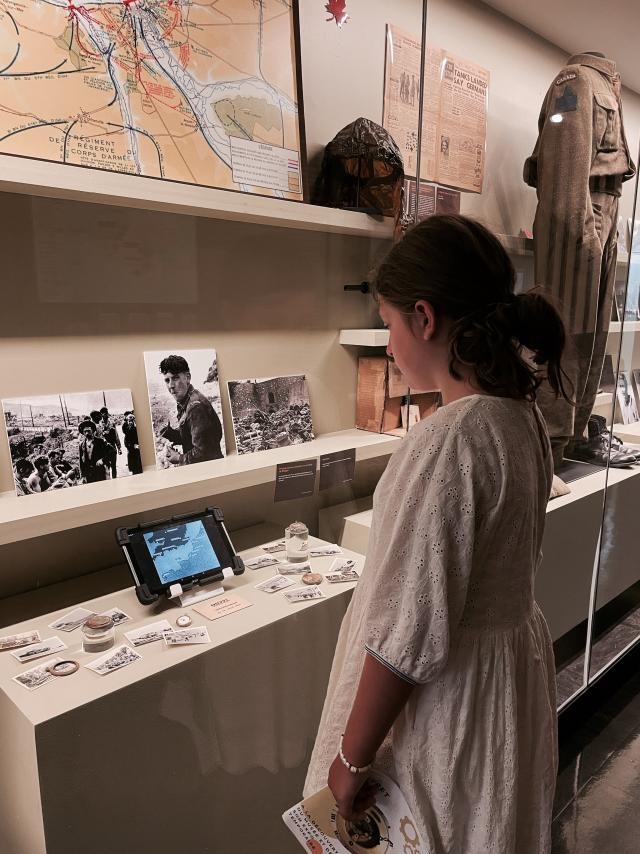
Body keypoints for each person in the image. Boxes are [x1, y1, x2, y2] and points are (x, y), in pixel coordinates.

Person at [304, 215, 570, 854]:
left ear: (424, 318)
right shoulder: (520, 417)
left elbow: (409, 636)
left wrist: (352, 758)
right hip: (503, 683)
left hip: (447, 704)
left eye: (390, 324)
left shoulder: (449, 439)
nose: (389, 346)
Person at [158, 355, 223, 465]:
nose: (171, 385)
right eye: (167, 380)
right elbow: (192, 434)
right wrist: (170, 434)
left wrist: (179, 458)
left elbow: (203, 452)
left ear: (187, 377)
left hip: (209, 471)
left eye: (175, 378)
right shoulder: (186, 400)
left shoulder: (195, 407)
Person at [99, 406, 122, 477]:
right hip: (104, 448)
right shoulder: (99, 424)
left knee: (114, 466)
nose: (105, 415)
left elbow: (116, 435)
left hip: (112, 447)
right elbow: (99, 435)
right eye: (103, 413)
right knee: (106, 467)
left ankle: (115, 480)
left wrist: (119, 448)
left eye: (106, 413)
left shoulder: (112, 423)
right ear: (101, 414)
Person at [122, 410, 143, 475]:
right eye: (129, 420)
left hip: (137, 447)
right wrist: (133, 445)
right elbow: (127, 437)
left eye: (132, 419)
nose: (131, 421)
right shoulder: (125, 425)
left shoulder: (136, 424)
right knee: (135, 468)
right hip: (132, 447)